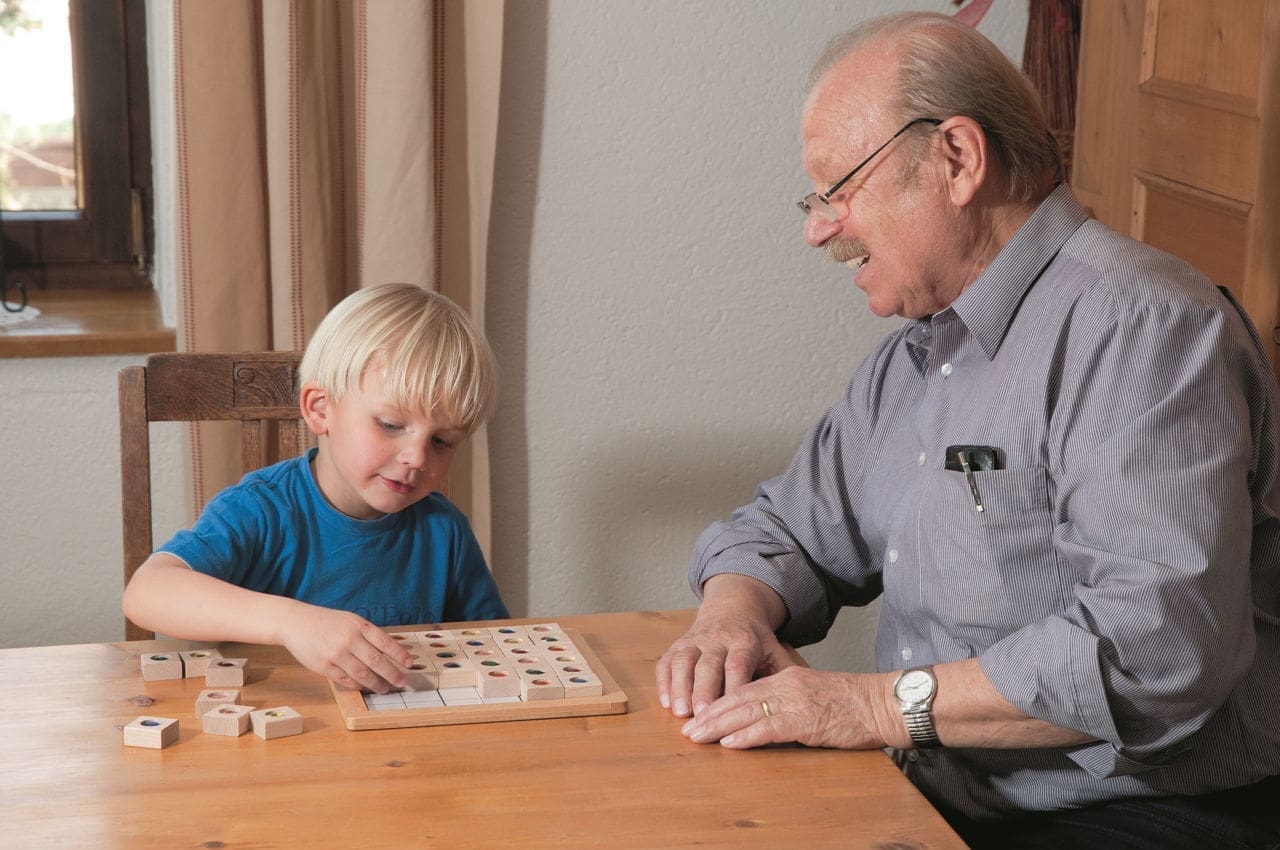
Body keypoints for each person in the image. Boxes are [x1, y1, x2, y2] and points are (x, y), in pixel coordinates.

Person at [656, 11, 1280, 848]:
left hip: (1137, 814)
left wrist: (871, 706)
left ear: (957, 159)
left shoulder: (1146, 328)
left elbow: (1156, 647)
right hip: (944, 796)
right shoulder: (919, 354)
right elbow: (784, 531)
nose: (819, 227)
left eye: (838, 189)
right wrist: (730, 614)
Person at [123, 283, 509, 694]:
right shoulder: (262, 509)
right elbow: (147, 592)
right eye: (391, 425)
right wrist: (292, 622)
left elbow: (496, 647)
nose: (417, 457)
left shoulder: (443, 529)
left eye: (441, 441)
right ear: (320, 409)